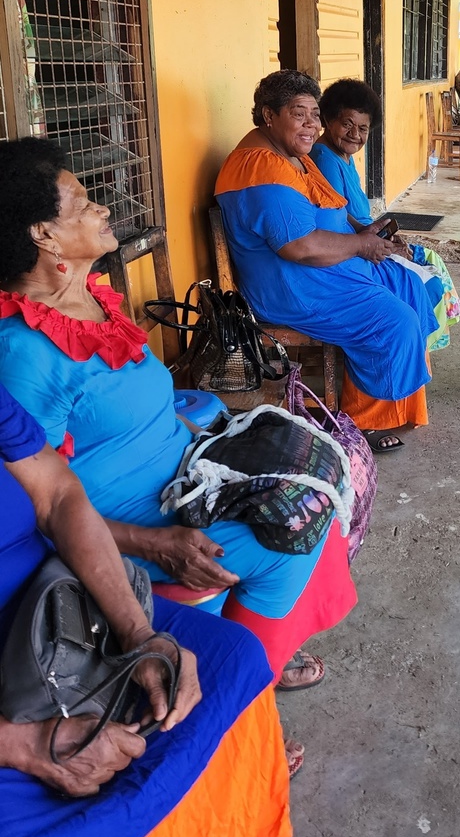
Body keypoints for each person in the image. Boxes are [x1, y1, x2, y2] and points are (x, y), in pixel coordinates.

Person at [0, 137, 357, 777]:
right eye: (82, 202)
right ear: (43, 236)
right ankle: (243, 720)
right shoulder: (23, 353)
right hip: (134, 522)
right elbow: (41, 506)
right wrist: (156, 542)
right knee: (290, 534)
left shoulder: (92, 299)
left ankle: (251, 673)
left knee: (319, 470)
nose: (102, 208)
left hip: (184, 476)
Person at [0, 382, 305, 837]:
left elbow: (59, 495)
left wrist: (140, 633)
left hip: (51, 606)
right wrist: (24, 744)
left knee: (227, 664)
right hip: (11, 708)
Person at [216, 71, 437, 450]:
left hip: (318, 266)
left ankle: (398, 401)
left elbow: (329, 208)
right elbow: (299, 247)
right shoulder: (261, 168)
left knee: (409, 282)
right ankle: (363, 423)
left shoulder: (288, 154)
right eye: (298, 113)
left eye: (315, 114)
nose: (311, 124)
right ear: (269, 115)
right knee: (393, 320)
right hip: (292, 284)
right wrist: (359, 246)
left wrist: (366, 236)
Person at [311, 78, 460, 350]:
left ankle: (421, 346)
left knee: (431, 262)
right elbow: (338, 215)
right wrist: (380, 243)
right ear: (328, 119)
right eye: (347, 124)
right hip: (355, 248)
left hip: (368, 239)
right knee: (425, 280)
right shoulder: (324, 158)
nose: (354, 134)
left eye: (363, 128)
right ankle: (417, 347)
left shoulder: (342, 157)